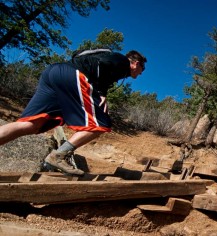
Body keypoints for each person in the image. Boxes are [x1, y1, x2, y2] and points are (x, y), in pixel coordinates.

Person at [0, 49, 147, 176]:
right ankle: (58, 156)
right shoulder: (121, 60)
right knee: (101, 123)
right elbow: (99, 65)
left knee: (32, 124)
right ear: (136, 63)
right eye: (142, 69)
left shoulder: (113, 64)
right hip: (73, 74)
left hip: (53, 73)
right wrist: (100, 91)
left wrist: (102, 91)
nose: (141, 74)